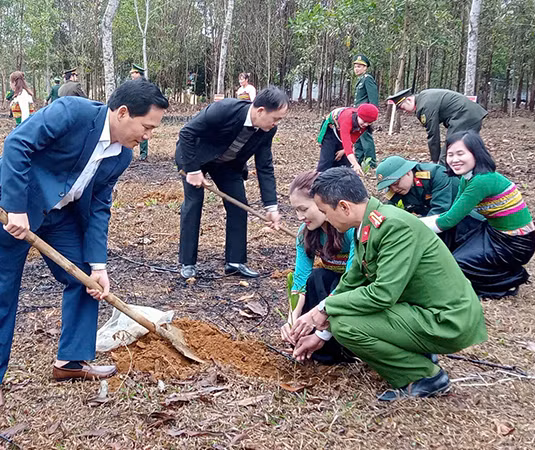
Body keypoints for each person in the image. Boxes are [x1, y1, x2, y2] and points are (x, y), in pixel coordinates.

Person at [0, 79, 168, 409]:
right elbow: (17, 144)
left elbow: (100, 206)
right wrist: (17, 209)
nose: (148, 136)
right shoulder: (72, 112)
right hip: (12, 206)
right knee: (1, 289)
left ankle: (71, 362)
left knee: (86, 281)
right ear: (122, 113)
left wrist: (98, 265)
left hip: (58, 215)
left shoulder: (121, 155)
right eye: (146, 126)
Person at [290, 167, 487, 401]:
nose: (327, 219)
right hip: (420, 311)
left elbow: (382, 294)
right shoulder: (367, 226)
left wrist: (325, 310)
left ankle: (424, 376)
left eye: (325, 211)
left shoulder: (393, 226)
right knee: (340, 317)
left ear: (344, 206)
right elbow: (351, 281)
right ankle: (418, 355)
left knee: (345, 325)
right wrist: (317, 323)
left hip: (445, 319)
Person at [176, 86, 287, 279]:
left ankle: (235, 262)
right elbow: (187, 133)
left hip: (228, 164)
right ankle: (188, 263)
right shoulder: (225, 109)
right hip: (194, 157)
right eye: (275, 118)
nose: (276, 123)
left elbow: (265, 166)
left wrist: (271, 206)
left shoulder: (268, 130)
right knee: (194, 203)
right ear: (260, 111)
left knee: (239, 205)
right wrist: (193, 170)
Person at [418, 131, 535, 299]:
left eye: (461, 153)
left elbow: (447, 221)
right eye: (450, 154)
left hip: (515, 243)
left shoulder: (481, 181)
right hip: (494, 232)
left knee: (457, 265)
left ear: (476, 153)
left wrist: (413, 224)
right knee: (453, 250)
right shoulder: (467, 178)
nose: (454, 159)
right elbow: (451, 213)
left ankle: (509, 279)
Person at [280, 171, 356, 364]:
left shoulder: (349, 230)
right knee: (317, 278)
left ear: (322, 202)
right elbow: (300, 281)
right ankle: (321, 352)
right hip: (332, 286)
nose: (299, 217)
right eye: (296, 210)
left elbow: (352, 279)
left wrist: (319, 320)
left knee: (332, 285)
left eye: (304, 209)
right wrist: (292, 320)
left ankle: (342, 344)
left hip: (353, 287)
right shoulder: (305, 234)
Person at [387, 88, 488, 164]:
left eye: (402, 107)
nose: (404, 111)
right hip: (470, 114)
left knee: (450, 150)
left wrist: (435, 161)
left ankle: (447, 178)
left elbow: (433, 134)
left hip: (464, 115)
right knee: (467, 146)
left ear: (409, 100)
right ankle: (482, 166)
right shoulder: (423, 97)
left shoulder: (424, 106)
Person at [375, 155, 458, 217]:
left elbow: (440, 210)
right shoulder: (394, 191)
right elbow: (390, 214)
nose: (394, 189)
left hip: (459, 220)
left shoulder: (436, 174)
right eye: (389, 186)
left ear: (407, 172)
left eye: (395, 183)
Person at [316, 104, 379, 176]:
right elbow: (346, 142)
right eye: (364, 121)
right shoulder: (346, 120)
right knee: (327, 161)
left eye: (369, 123)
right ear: (358, 115)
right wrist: (356, 165)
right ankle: (319, 181)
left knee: (344, 163)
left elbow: (353, 139)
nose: (366, 124)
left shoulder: (364, 125)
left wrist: (343, 151)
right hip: (331, 129)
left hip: (346, 131)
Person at [352, 54, 378, 169]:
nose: (356, 69)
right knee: (357, 138)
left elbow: (373, 99)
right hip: (358, 114)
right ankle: (360, 160)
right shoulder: (360, 80)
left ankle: (371, 163)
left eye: (359, 67)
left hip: (365, 115)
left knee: (365, 138)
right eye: (355, 66)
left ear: (365, 68)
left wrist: (372, 116)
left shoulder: (368, 79)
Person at [130, 64, 149, 160]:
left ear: (138, 73)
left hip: (142, 111)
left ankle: (143, 154)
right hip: (133, 111)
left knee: (143, 132)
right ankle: (130, 153)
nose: (132, 75)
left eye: (133, 73)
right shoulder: (131, 84)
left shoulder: (144, 85)